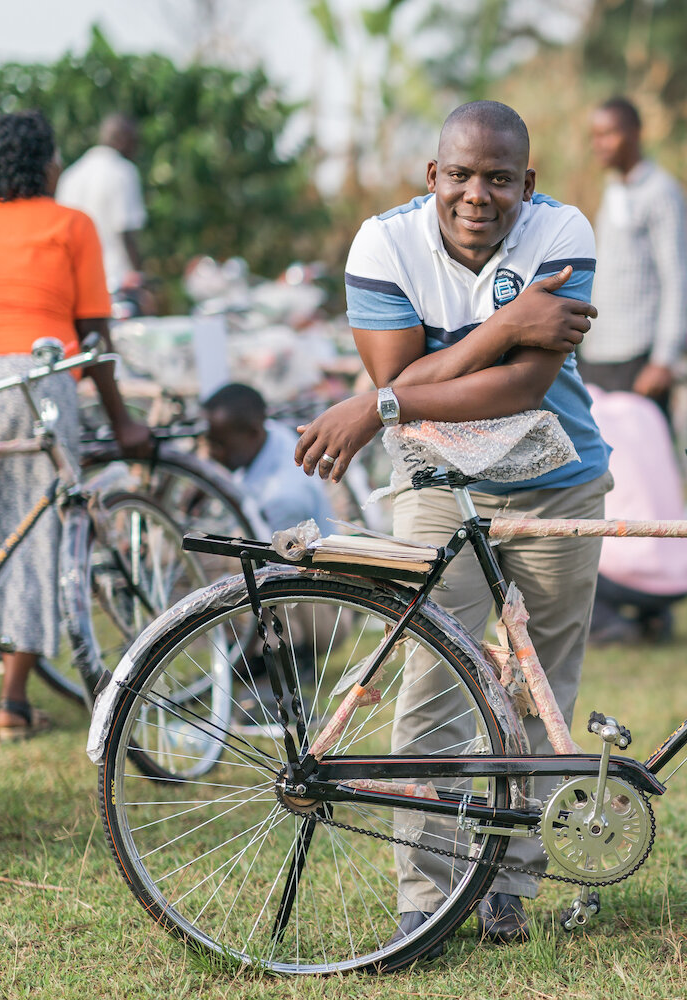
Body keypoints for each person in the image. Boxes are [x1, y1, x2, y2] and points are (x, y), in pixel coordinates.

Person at [294, 100, 610, 945]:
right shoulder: (384, 243)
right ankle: (425, 895)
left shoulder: (563, 231)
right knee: (436, 682)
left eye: (500, 179)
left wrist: (389, 399)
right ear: (432, 176)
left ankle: (510, 880)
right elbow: (402, 380)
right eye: (461, 175)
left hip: (560, 481)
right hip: (438, 481)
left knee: (540, 691)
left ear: (527, 184)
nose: (479, 195)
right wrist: (506, 327)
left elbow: (520, 389)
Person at [0, 111, 152, 741]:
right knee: (41, 529)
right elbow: (94, 333)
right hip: (39, 381)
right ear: (46, 164)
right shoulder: (71, 225)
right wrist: (123, 420)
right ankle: (12, 703)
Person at [578, 96, 687, 410]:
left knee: (643, 454)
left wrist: (663, 360)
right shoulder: (614, 188)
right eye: (594, 136)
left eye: (608, 134)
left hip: (637, 356)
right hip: (599, 351)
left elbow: (676, 277)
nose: (599, 144)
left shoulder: (661, 192)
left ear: (636, 133)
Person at [587, 387, 687, 645]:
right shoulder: (646, 411)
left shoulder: (585, 416)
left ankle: (604, 624)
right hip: (686, 570)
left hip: (626, 571)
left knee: (562, 541)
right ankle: (656, 618)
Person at [202, 382, 335, 533]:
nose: (211, 453)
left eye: (220, 444)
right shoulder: (271, 432)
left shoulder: (281, 500)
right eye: (209, 441)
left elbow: (283, 554)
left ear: (252, 433)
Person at [56, 113, 148, 297]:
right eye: (134, 142)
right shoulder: (123, 172)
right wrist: (140, 278)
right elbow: (126, 232)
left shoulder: (71, 175)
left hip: (77, 284)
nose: (136, 149)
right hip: (117, 283)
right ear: (122, 140)